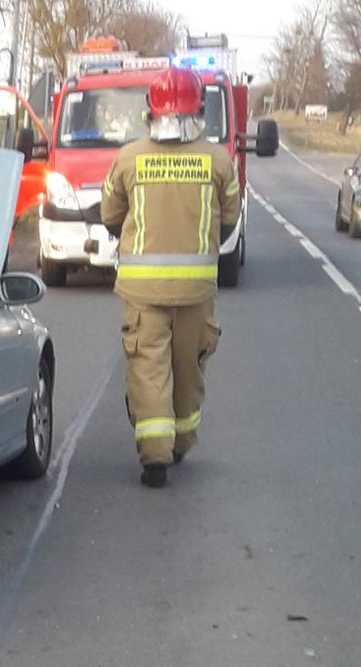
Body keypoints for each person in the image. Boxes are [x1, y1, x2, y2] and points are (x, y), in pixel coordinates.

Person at [99, 67, 238, 489]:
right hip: (197, 291)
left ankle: (155, 458)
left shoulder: (128, 158)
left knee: (148, 367)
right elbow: (229, 220)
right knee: (188, 367)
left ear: (150, 110)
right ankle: (180, 443)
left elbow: (110, 215)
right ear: (199, 110)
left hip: (142, 292)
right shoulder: (218, 160)